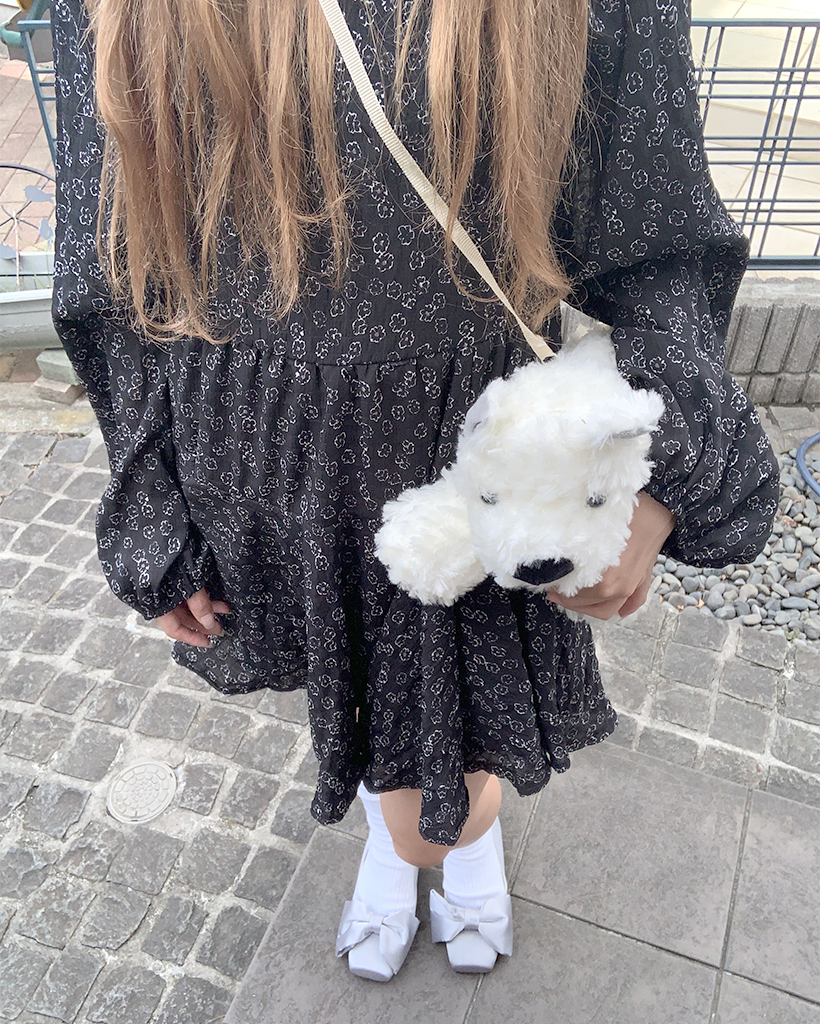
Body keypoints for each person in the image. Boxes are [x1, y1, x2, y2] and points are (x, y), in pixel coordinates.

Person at [52, 0, 777, 982]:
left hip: (467, 455)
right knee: (346, 683)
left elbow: (654, 228)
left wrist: (660, 466)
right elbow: (111, 254)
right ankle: (394, 848)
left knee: (459, 761)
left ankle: (446, 849)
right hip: (259, 455)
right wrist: (151, 508)